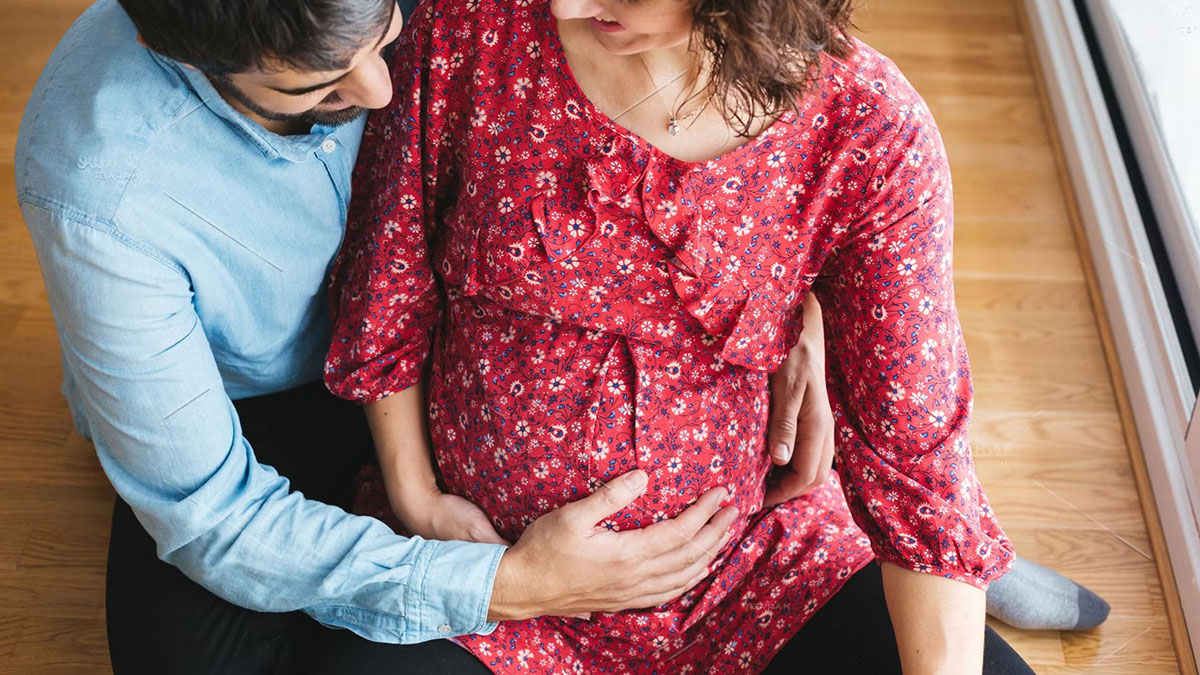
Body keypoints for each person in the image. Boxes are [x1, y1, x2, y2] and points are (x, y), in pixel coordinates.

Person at [12, 0, 842, 672]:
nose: (381, 93)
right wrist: (504, 585)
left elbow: (742, 41)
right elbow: (216, 519)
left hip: (480, 320)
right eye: (318, 90)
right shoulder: (101, 190)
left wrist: (797, 293)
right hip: (273, 398)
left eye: (385, 33)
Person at [321, 0, 1059, 673]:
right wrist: (419, 500)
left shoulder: (866, 128)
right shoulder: (468, 30)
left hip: (750, 572)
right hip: (484, 571)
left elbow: (915, 459)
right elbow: (388, 286)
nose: (568, 6)